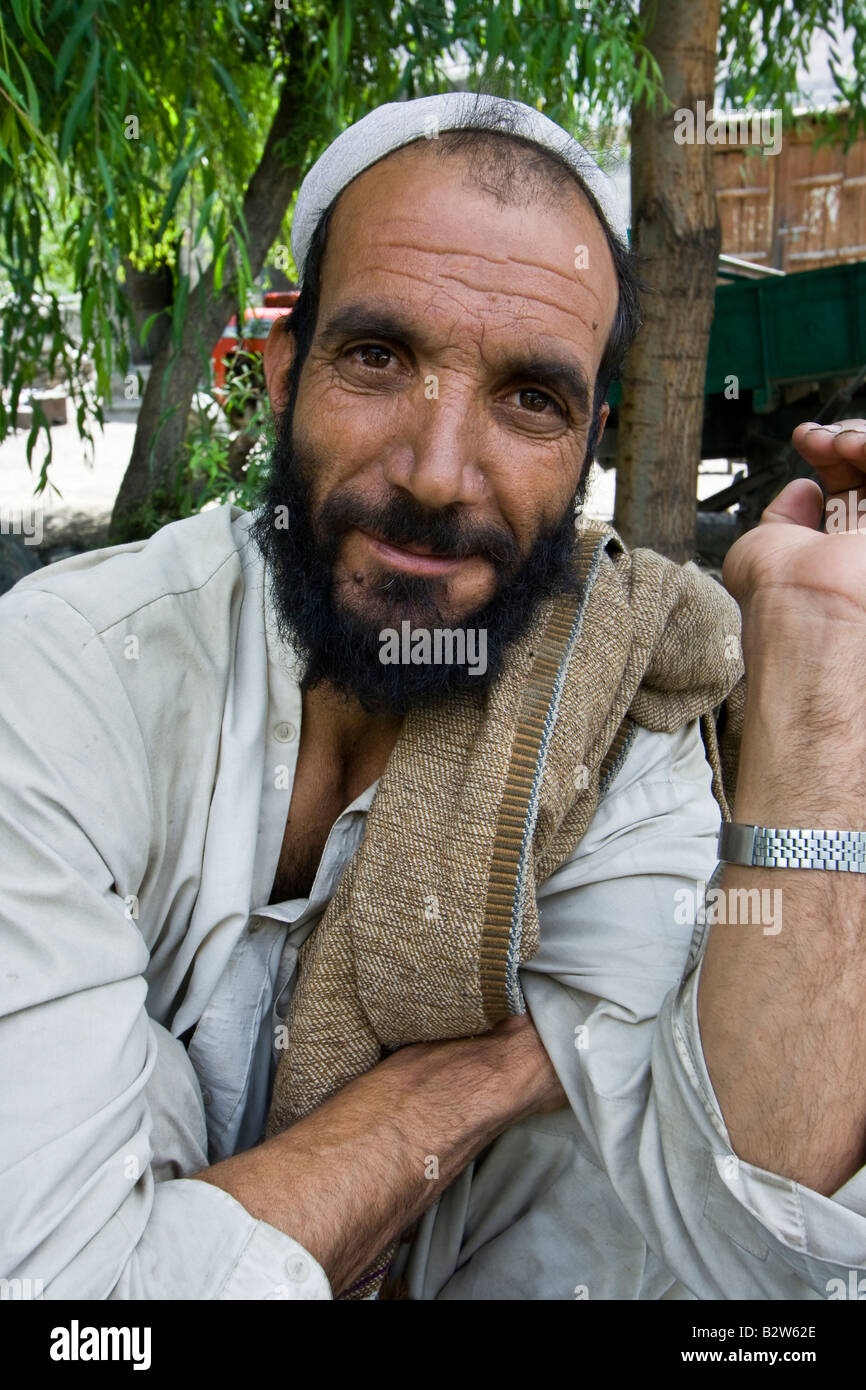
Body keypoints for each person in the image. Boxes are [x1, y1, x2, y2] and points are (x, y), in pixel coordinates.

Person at [1, 92, 864, 1302]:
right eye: (378, 357)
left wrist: (823, 677)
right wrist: (479, 1074)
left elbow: (759, 1253)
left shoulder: (608, 726)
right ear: (278, 371)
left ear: (586, 446)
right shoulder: (71, 676)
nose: (435, 472)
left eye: (527, 400)